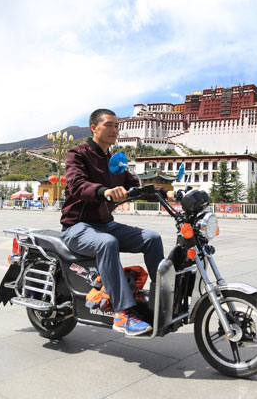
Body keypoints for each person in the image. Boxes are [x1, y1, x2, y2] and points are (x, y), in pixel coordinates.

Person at [60, 109, 174, 336]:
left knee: (152, 238)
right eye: (109, 125)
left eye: (117, 126)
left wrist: (165, 193)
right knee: (107, 243)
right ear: (94, 128)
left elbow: (135, 187)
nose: (115, 130)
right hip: (77, 227)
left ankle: (164, 297)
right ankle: (122, 313)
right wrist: (104, 191)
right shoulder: (78, 154)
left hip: (104, 224)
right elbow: (76, 185)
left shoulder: (115, 160)